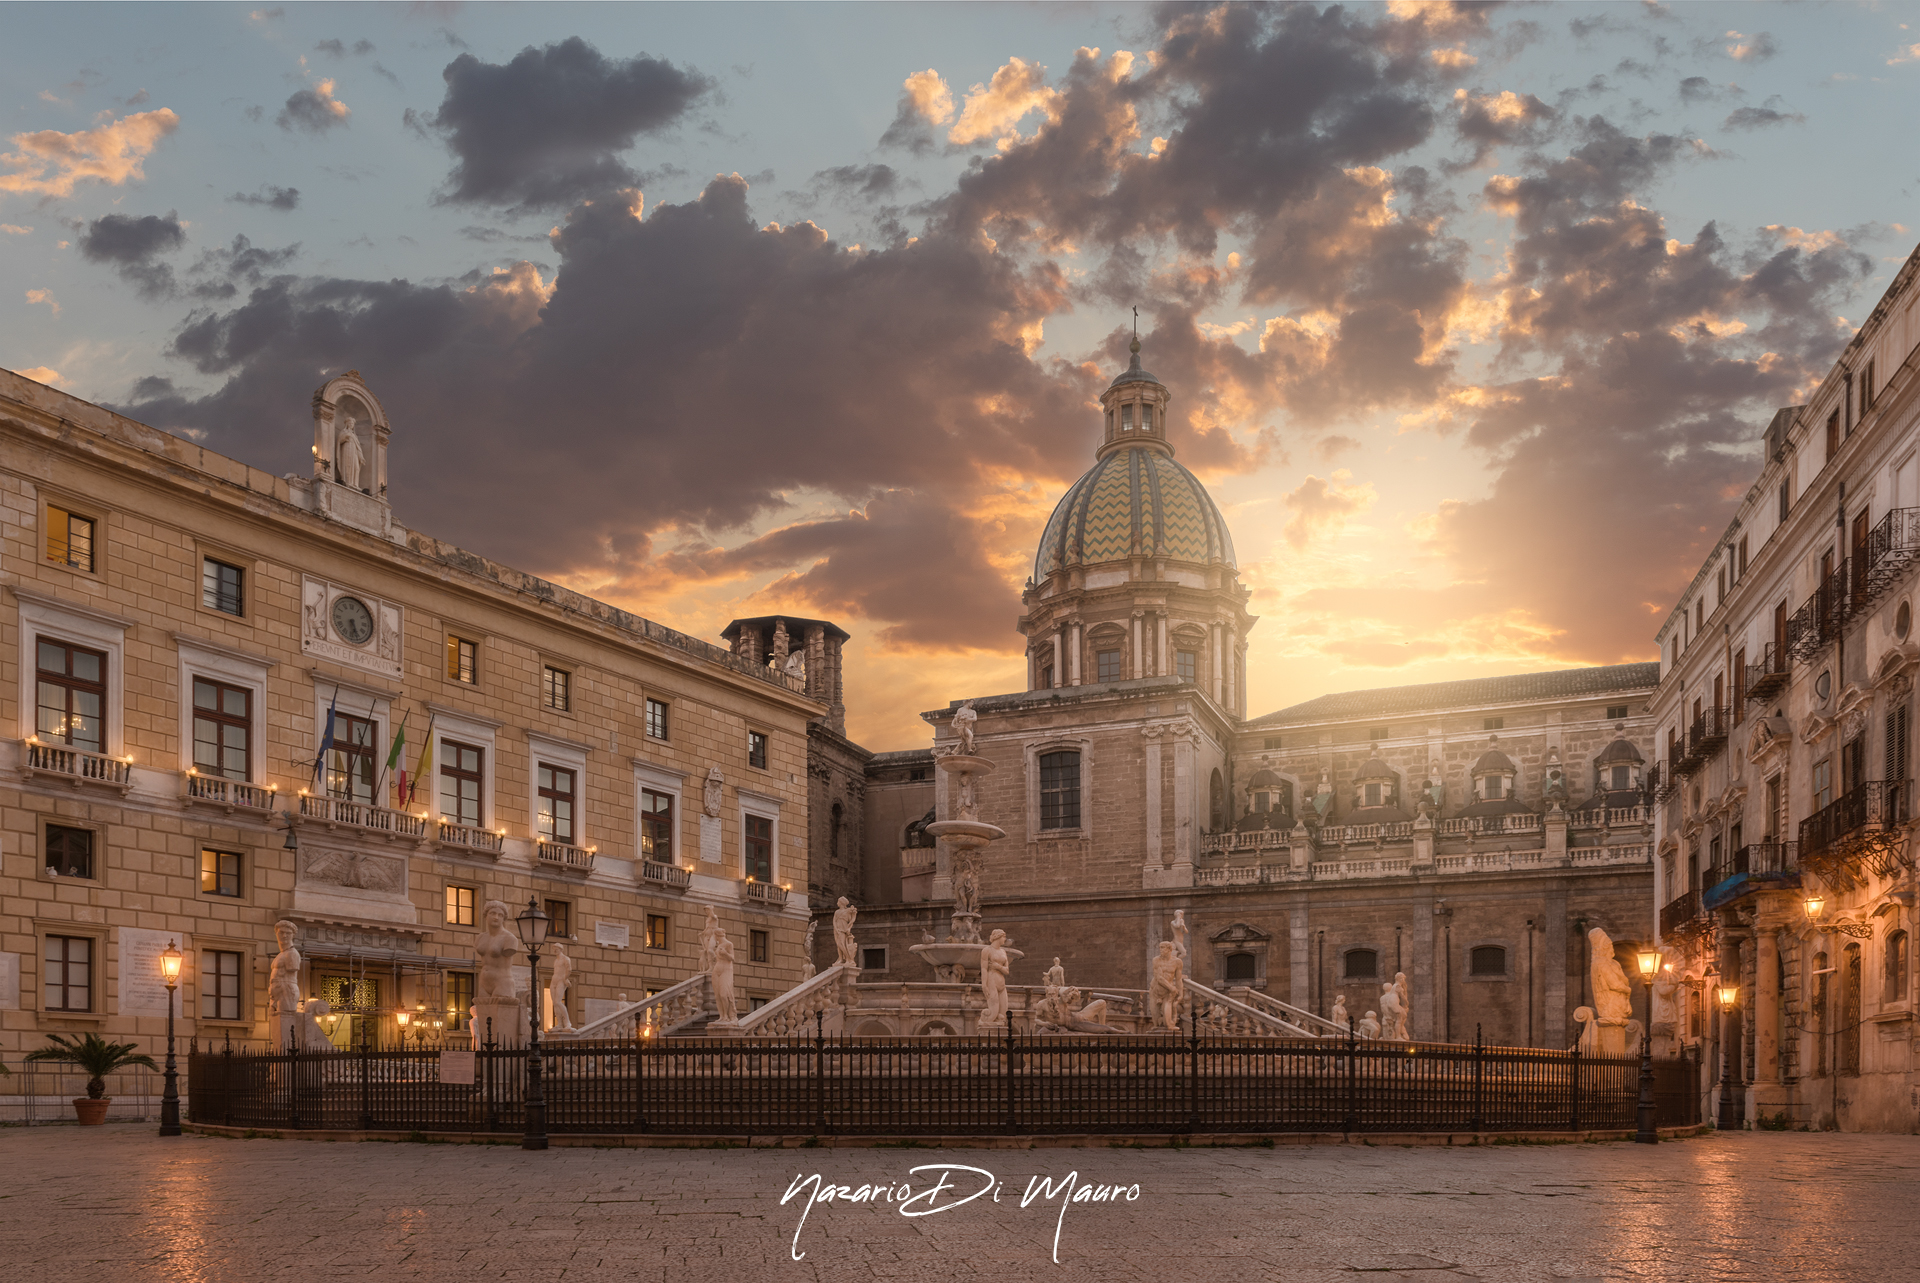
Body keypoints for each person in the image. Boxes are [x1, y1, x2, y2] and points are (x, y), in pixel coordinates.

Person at [979, 929, 1011, 1026]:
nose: (1005, 939)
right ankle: (985, 1027)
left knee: (1003, 1013)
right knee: (993, 1012)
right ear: (997, 937)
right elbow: (984, 968)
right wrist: (984, 985)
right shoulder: (987, 950)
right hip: (991, 980)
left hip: (1001, 982)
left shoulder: (1003, 951)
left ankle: (999, 1032)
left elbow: (1007, 971)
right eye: (1003, 937)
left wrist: (998, 966)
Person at [1149, 941, 1184, 1031]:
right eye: (1160, 947)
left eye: (1163, 947)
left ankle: (1170, 1027)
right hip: (1155, 991)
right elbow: (1159, 978)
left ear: (1169, 949)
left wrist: (1181, 993)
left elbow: (1179, 979)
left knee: (1167, 1024)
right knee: (1156, 1024)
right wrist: (1171, 987)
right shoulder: (1156, 960)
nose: (1161, 949)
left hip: (1167, 993)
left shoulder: (1177, 962)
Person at [711, 930, 738, 1023]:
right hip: (716, 970)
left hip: (726, 970)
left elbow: (732, 958)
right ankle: (722, 1016)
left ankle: (727, 1016)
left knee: (724, 994)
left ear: (716, 935)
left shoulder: (729, 944)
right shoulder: (718, 945)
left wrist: (725, 954)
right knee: (717, 995)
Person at [547, 944, 574, 1031]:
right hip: (553, 981)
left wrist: (566, 979)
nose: (555, 951)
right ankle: (560, 1024)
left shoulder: (565, 959)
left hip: (561, 981)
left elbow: (569, 969)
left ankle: (567, 1023)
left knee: (558, 1002)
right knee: (554, 1003)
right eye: (554, 949)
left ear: (561, 949)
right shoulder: (556, 961)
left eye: (556, 949)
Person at [833, 896, 859, 966]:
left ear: (841, 903)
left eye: (838, 901)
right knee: (838, 945)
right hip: (837, 929)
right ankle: (841, 958)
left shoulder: (847, 911)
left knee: (841, 944)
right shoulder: (837, 912)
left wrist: (848, 927)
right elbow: (834, 921)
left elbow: (852, 919)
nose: (837, 903)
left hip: (843, 928)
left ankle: (848, 959)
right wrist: (836, 929)